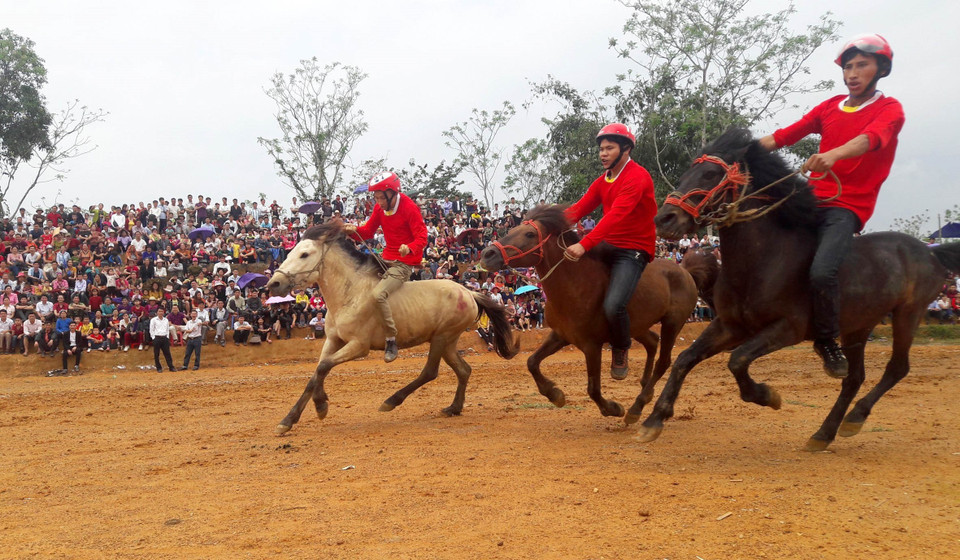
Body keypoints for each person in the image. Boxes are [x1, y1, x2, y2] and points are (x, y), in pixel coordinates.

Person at [758, 33, 903, 379]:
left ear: (881, 69)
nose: (852, 73)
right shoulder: (828, 107)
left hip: (846, 206)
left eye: (861, 65)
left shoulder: (890, 109)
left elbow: (869, 140)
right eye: (848, 67)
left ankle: (826, 340)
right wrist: (736, 152)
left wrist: (833, 154)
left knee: (823, 271)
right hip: (811, 200)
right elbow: (784, 136)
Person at [563, 123, 657, 379]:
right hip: (607, 244)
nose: (603, 154)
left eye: (609, 148)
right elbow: (579, 208)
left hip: (633, 248)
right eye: (601, 149)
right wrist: (546, 224)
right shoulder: (603, 180)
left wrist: (584, 244)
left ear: (626, 149)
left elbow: (615, 216)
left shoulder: (638, 177)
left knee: (614, 304)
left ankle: (621, 347)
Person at [344, 171, 428, 362]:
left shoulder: (409, 207)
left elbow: (422, 237)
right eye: (376, 198)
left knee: (377, 295)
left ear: (392, 193)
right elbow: (367, 232)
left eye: (381, 198)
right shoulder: (379, 208)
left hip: (404, 263)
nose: (379, 202)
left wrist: (410, 247)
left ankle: (391, 339)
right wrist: (351, 230)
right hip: (385, 258)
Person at [149, 307, 177, 372]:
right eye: (159, 311)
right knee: (156, 354)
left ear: (163, 312)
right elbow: (151, 329)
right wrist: (153, 338)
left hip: (164, 338)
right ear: (157, 312)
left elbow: (167, 329)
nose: (160, 313)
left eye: (162, 311)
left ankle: (171, 367)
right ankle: (159, 368)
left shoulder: (166, 320)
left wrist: (167, 337)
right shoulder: (153, 320)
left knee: (167, 353)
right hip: (157, 337)